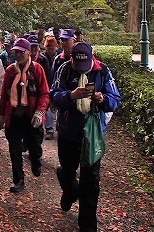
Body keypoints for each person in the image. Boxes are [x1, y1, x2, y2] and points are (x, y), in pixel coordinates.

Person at [50, 41, 121, 232]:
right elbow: (53, 94)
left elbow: (115, 99)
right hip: (68, 131)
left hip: (92, 134)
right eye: (77, 65)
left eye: (85, 66)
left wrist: (103, 99)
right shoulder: (64, 69)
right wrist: (71, 95)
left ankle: (88, 225)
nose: (81, 70)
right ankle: (70, 191)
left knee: (91, 181)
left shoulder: (103, 72)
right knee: (67, 171)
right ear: (72, 59)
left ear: (92, 59)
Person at [0, 37, 50, 193]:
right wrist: (1, 115)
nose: (18, 55)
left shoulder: (37, 69)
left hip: (32, 115)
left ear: (28, 52)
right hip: (14, 115)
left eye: (22, 52)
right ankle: (18, 180)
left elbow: (45, 93)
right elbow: (4, 95)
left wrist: (40, 111)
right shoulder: (10, 71)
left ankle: (36, 161)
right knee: (14, 149)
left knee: (34, 145)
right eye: (16, 52)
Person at [42, 35, 60, 139]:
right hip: (47, 84)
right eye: (48, 48)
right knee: (48, 107)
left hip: (58, 84)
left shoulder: (59, 58)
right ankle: (49, 129)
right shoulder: (43, 58)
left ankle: (58, 126)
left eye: (52, 48)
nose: (50, 50)